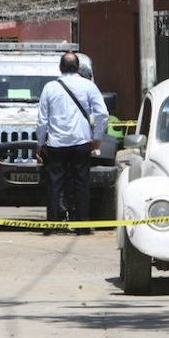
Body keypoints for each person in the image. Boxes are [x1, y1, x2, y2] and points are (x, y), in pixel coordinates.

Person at [36, 51, 108, 235]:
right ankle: (82, 224)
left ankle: (52, 225)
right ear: (78, 68)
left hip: (56, 144)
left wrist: (40, 144)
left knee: (54, 184)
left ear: (60, 67)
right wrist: (98, 138)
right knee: (81, 183)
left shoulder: (49, 88)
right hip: (81, 142)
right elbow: (103, 114)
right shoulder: (88, 86)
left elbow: (42, 120)